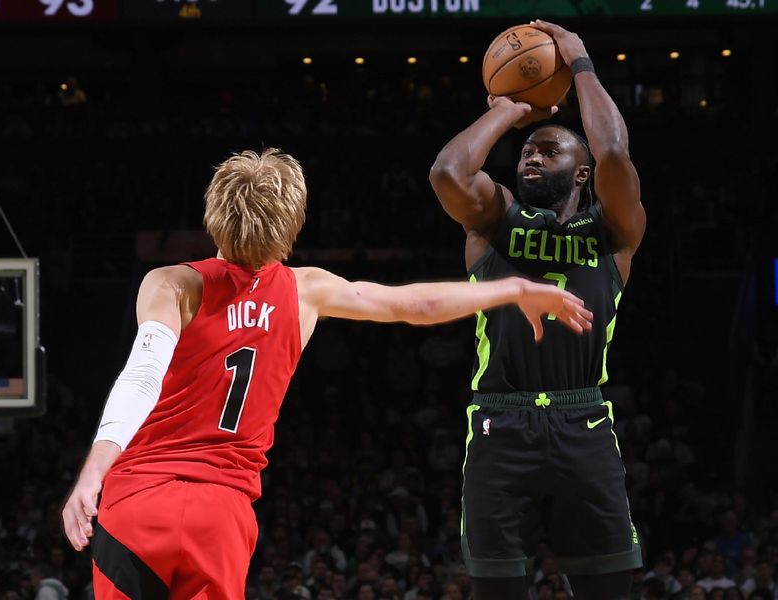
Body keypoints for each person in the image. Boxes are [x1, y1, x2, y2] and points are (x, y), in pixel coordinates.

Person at [61, 148, 592, 599]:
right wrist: (516, 289)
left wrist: (92, 473)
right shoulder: (306, 290)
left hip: (137, 505)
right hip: (219, 515)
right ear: (291, 224)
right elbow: (412, 303)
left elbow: (142, 373)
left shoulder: (172, 283)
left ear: (212, 213)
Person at [428, 20, 646, 600]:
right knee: (496, 591)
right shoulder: (493, 219)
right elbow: (448, 172)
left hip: (584, 420)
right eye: (526, 152)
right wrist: (508, 111)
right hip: (500, 421)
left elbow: (614, 151)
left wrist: (579, 64)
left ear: (581, 173)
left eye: (548, 151)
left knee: (610, 591)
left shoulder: (613, 232)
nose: (530, 157)